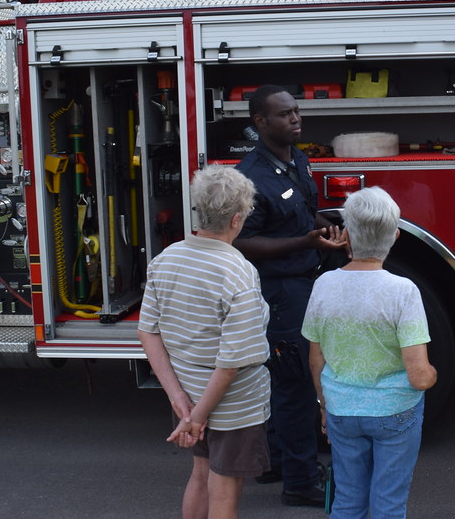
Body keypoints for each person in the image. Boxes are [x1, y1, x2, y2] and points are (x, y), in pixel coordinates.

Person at [233, 84, 347, 507]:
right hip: (279, 291)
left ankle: (277, 462)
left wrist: (328, 227)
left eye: (297, 111)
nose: (296, 119)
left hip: (303, 282)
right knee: (295, 384)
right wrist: (306, 243)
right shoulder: (249, 176)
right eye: (284, 114)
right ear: (260, 123)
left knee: (285, 379)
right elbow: (244, 242)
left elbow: (300, 213)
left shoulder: (297, 158)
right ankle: (300, 484)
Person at [137, 165, 271, 519]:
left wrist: (179, 399)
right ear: (237, 219)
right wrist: (198, 416)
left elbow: (147, 332)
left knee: (199, 475)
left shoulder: (165, 260)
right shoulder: (239, 273)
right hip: (231, 405)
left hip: (188, 395)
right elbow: (231, 362)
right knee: (225, 493)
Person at [302, 186, 436, 518]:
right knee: (388, 503)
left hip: (341, 409)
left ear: (345, 235)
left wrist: (323, 406)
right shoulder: (403, 292)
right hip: (395, 411)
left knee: (348, 500)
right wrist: (434, 375)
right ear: (394, 236)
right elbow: (419, 377)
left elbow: (316, 358)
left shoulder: (323, 285)